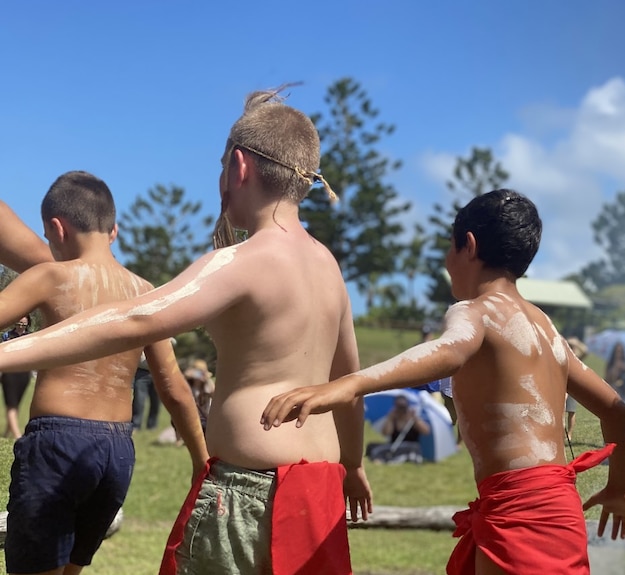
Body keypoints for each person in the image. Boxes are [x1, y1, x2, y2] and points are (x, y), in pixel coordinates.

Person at [0, 90, 372, 574]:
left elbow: (135, 318)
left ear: (238, 167)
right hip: (320, 490)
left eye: (221, 167)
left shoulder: (240, 262)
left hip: (250, 496)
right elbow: (348, 384)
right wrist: (356, 464)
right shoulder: (328, 268)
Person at [261, 189, 625, 575]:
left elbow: (450, 351)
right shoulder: (546, 328)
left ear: (467, 245)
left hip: (520, 512)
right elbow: (616, 411)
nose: (446, 260)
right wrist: (620, 487)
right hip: (560, 508)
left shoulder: (475, 312)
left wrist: (349, 384)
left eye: (448, 247)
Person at [0, 171, 208, 575]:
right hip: (116, 452)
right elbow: (175, 389)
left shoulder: (50, 276)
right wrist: (201, 462)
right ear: (113, 230)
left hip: (56, 445)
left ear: (55, 230)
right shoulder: (145, 292)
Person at [365, 393, 431, 463]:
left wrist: (415, 419)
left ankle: (382, 458)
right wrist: (390, 418)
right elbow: (386, 433)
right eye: (399, 407)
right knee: (372, 445)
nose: (401, 411)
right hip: (394, 445)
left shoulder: (412, 419)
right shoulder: (393, 418)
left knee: (410, 447)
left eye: (403, 408)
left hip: (410, 446)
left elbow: (426, 431)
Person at [1, 315, 33, 439]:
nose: (21, 327)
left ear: (27, 324)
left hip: (24, 373)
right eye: (19, 324)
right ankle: (17, 435)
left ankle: (6, 432)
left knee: (16, 404)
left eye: (23, 325)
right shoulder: (7, 336)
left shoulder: (30, 337)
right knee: (11, 404)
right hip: (9, 372)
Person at [565, 336, 589, 441]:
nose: (571, 347)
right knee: (559, 411)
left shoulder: (577, 357)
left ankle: (569, 434)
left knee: (571, 411)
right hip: (562, 384)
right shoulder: (563, 354)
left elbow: (585, 351)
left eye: (572, 346)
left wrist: (577, 344)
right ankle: (561, 433)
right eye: (569, 345)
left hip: (573, 386)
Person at [131, 351, 160, 430]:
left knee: (156, 401)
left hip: (157, 372)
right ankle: (136, 425)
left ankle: (152, 425)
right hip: (141, 372)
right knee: (139, 400)